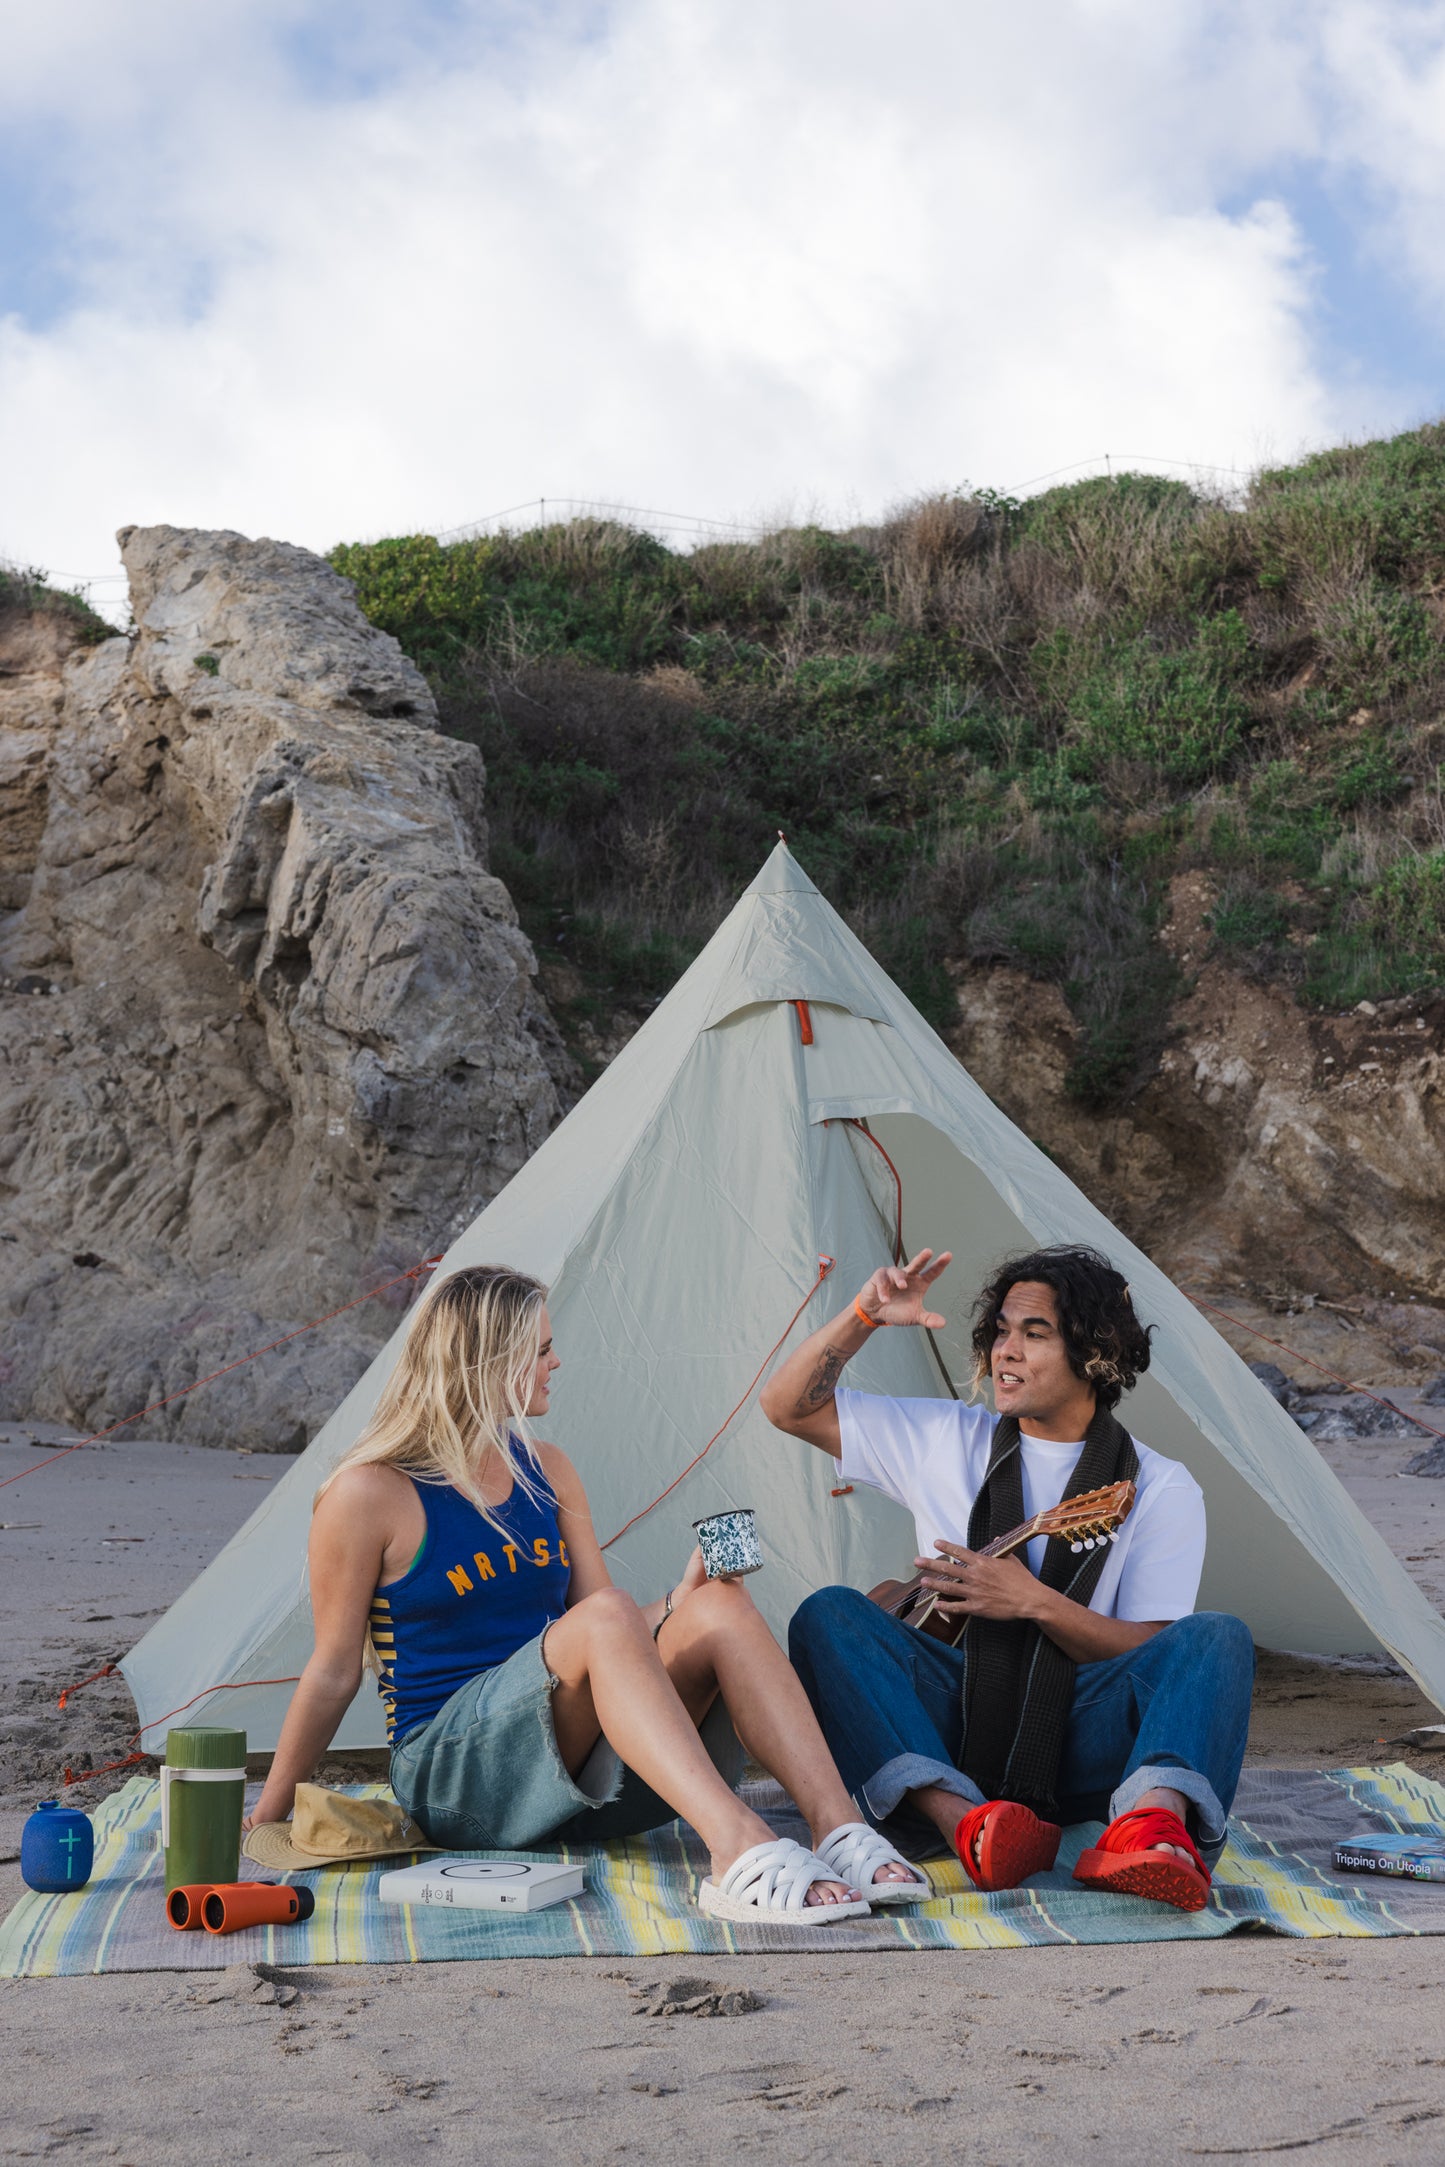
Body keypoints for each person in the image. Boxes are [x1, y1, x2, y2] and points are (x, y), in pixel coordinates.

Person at [247, 1263, 929, 1923]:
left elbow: (605, 1632)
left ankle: (837, 1829)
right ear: (490, 1362)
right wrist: (270, 1815)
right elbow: (334, 1669)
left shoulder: (547, 1469)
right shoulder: (368, 1492)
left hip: (570, 1779)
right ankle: (737, 1846)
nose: (556, 1362)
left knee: (716, 1606)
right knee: (610, 1616)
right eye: (541, 1349)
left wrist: (678, 1603)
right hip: (453, 1779)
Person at [760, 1243, 1255, 1911]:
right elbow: (786, 1406)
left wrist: (1035, 1604)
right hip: (949, 1721)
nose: (1005, 1350)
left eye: (1033, 1332)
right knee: (828, 1614)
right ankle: (962, 1824)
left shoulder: (1159, 1486)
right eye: (999, 1330)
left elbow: (1155, 1654)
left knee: (1217, 1637)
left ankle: (1152, 1828)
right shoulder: (944, 1437)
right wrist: (863, 1315)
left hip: (1079, 1731)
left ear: (1095, 1352)